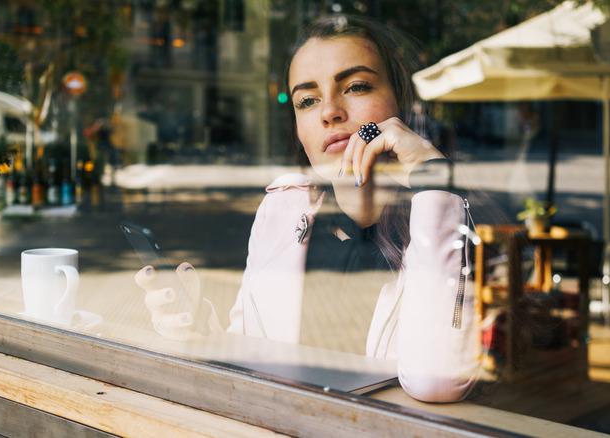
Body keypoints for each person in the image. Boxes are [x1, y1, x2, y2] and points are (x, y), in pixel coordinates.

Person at [134, 14, 482, 403]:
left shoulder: (441, 217)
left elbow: (436, 381)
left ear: (401, 103)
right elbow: (252, 349)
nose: (329, 111)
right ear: (299, 129)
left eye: (356, 86)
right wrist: (201, 331)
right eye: (307, 100)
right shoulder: (283, 209)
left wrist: (433, 179)